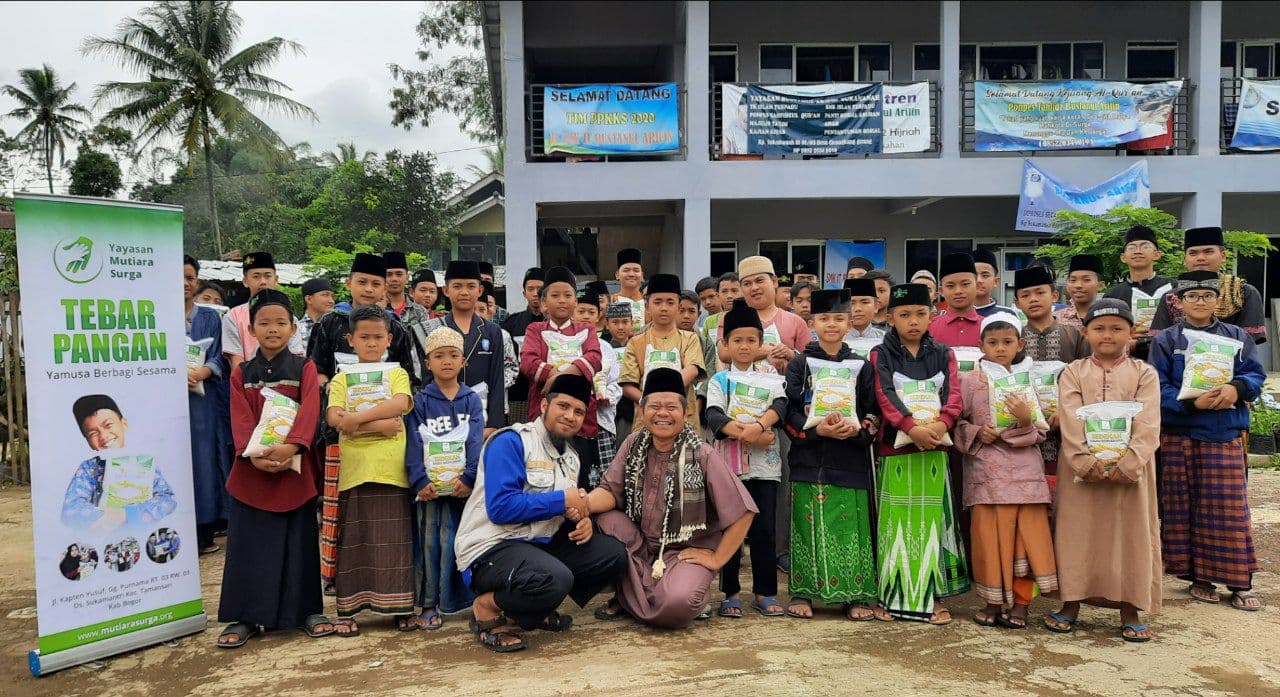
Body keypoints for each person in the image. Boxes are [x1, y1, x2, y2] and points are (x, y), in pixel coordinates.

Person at [454, 374, 628, 653]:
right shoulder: (511, 441)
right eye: (563, 406)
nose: (570, 416)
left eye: (579, 411)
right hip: (490, 549)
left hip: (534, 547)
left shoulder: (571, 458)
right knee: (554, 578)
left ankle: (531, 609)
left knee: (611, 554)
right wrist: (561, 501)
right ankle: (487, 608)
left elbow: (565, 506)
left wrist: (580, 519)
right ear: (545, 406)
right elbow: (500, 509)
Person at [588, 368, 757, 629]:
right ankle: (647, 590)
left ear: (686, 411)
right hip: (640, 547)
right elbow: (610, 492)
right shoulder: (633, 444)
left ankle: (632, 593)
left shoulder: (702, 454)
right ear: (642, 411)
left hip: (684, 553)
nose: (662, 413)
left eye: (671, 407)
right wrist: (580, 504)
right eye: (654, 406)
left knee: (680, 604)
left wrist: (716, 559)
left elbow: (744, 512)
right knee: (602, 518)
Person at [219, 288, 333, 648]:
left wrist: (292, 445)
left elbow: (311, 408)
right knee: (249, 546)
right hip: (253, 470)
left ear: (292, 327)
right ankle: (246, 616)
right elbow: (239, 415)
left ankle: (308, 611)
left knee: (299, 542)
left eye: (280, 322)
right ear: (250, 329)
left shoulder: (305, 367)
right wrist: (252, 453)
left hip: (294, 469)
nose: (272, 329)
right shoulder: (242, 373)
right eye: (264, 323)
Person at [1046, 299, 1162, 642]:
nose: (1107, 335)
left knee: (1132, 535)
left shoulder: (1144, 373)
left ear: (1131, 333)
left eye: (1116, 328)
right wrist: (1085, 461)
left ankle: (1131, 608)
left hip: (1132, 474)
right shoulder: (1073, 372)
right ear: (1086, 332)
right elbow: (1069, 416)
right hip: (1080, 472)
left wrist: (1130, 462)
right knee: (1076, 533)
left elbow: (1148, 421)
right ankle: (1071, 604)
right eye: (1099, 328)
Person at [1150, 272, 1265, 612]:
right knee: (1183, 508)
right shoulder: (1167, 340)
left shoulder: (1237, 335)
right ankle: (1198, 577)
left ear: (1217, 300)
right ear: (1180, 303)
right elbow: (1157, 384)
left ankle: (1240, 581)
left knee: (1228, 510)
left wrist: (1236, 389)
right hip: (1179, 432)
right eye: (1192, 296)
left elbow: (1254, 375)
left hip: (1222, 431)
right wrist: (1189, 403)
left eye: (1206, 295)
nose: (1200, 301)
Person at [309, 253, 422, 592]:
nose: (370, 289)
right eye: (363, 282)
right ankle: (336, 577)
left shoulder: (397, 328)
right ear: (349, 284)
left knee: (386, 513)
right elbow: (316, 371)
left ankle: (388, 580)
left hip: (386, 437)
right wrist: (337, 397)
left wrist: (364, 417)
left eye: (377, 283)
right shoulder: (330, 323)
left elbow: (410, 380)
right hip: (339, 431)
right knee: (339, 510)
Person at [782, 290, 886, 621]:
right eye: (824, 319)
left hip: (849, 459)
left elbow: (872, 412)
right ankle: (803, 592)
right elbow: (790, 411)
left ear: (848, 321)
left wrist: (857, 431)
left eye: (839, 318)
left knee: (850, 528)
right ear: (812, 323)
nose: (832, 325)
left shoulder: (861, 365)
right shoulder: (800, 363)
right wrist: (816, 431)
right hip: (808, 459)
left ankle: (854, 595)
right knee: (805, 525)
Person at [869, 283, 969, 624]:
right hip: (895, 449)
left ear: (932, 315)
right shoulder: (880, 354)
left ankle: (933, 597)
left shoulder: (944, 353)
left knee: (932, 525)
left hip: (935, 447)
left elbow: (954, 395)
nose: (913, 321)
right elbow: (883, 395)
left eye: (921, 314)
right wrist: (911, 428)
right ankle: (891, 595)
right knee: (894, 524)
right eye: (905, 314)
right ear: (890, 317)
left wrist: (940, 426)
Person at [955, 313, 1057, 629]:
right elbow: (956, 422)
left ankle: (1022, 604)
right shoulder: (969, 381)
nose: (1000, 348)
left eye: (1007, 342)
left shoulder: (1029, 382)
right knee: (988, 540)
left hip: (1026, 474)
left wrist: (1026, 420)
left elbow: (1041, 432)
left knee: (1025, 541)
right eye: (993, 342)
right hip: (986, 471)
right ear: (981, 345)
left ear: (1020, 344)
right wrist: (975, 432)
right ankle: (993, 601)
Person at [325, 304, 416, 635]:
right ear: (351, 340)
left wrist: (355, 420)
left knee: (396, 542)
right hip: (355, 468)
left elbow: (399, 405)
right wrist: (373, 426)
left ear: (389, 339)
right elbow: (333, 418)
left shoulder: (397, 373)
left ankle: (401, 607)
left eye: (378, 337)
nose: (372, 343)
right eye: (364, 337)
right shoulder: (341, 378)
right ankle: (348, 609)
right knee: (355, 539)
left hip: (392, 467)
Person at [705, 299, 787, 619]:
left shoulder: (771, 378)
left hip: (765, 468)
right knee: (731, 530)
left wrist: (759, 426)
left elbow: (780, 407)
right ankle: (730, 593)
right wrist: (746, 434)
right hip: (730, 469)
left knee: (764, 529)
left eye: (751, 339)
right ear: (725, 344)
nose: (744, 346)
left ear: (761, 343)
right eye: (737, 340)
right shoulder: (719, 381)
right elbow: (713, 416)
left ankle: (765, 592)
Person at [404, 326, 485, 630]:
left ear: (463, 361)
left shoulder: (472, 400)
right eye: (439, 356)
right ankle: (428, 602)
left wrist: (469, 477)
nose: (447, 361)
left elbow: (475, 440)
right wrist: (419, 480)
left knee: (461, 541)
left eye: (453, 355)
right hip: (430, 490)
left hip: (462, 489)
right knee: (430, 544)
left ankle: (463, 601)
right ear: (428, 363)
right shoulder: (420, 401)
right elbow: (412, 441)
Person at [519, 266, 604, 488]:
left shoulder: (586, 329)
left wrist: (554, 378)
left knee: (581, 476)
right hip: (544, 408)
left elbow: (595, 358)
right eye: (555, 295)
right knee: (542, 473)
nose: (562, 300)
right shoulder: (535, 329)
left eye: (568, 295)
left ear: (575, 301)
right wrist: (564, 376)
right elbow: (528, 362)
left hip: (581, 415)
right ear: (544, 302)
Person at [1013, 266, 1089, 499]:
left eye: (1040, 293)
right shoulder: (1013, 339)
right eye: (1025, 295)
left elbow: (1087, 379)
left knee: (1068, 496)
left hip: (1067, 432)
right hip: (1024, 431)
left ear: (1054, 296)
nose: (1033, 299)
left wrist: (1066, 410)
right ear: (1017, 303)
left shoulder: (1074, 335)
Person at [61, 395, 177, 530]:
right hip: (104, 541)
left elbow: (168, 499)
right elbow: (70, 510)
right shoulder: (89, 468)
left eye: (108, 425)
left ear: (124, 424)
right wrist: (106, 515)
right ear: (87, 441)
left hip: (143, 540)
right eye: (93, 433)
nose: (103, 436)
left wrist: (125, 514)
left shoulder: (144, 462)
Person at [418, 261, 507, 435]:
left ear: (480, 291)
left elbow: (497, 380)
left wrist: (494, 425)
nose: (464, 292)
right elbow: (427, 378)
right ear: (446, 290)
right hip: (442, 419)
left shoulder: (492, 331)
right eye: (457, 286)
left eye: (471, 286)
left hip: (482, 419)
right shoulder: (434, 328)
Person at [1151, 226, 1267, 344]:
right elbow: (1160, 342)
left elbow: (1248, 343)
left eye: (1208, 252)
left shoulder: (1243, 292)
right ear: (1184, 259)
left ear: (1223, 256)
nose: (1200, 258)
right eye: (1193, 253)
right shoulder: (1171, 297)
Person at [620, 273, 706, 428]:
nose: (664, 308)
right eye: (657, 302)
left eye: (670, 302)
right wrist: (649, 403)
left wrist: (662, 396)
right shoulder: (636, 342)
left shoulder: (690, 339)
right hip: (647, 419)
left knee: (687, 453)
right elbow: (627, 385)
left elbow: (693, 369)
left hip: (684, 419)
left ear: (679, 306)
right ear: (647, 305)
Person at [184, 255, 225, 554]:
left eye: (189, 277)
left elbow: (220, 352)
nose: (183, 284)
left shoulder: (210, 317)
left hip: (201, 400)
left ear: (196, 282)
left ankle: (204, 530)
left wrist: (204, 371)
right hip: (165, 402)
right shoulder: (152, 316)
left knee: (203, 460)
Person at [726, 256, 811, 373]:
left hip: (785, 389)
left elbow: (809, 362)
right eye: (747, 283)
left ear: (774, 281)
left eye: (759, 281)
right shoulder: (731, 318)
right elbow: (724, 354)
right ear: (741, 288)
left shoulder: (796, 321)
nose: (754, 287)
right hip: (740, 389)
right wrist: (768, 351)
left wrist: (790, 354)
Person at [221, 252, 304, 372]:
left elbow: (296, 357)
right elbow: (236, 361)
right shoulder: (233, 316)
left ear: (276, 280)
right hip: (249, 384)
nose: (263, 281)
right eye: (256, 276)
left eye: (268, 276)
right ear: (245, 281)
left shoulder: (289, 317)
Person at [574, 285, 623, 486]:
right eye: (581, 311)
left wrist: (606, 397)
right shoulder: (567, 343)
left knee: (603, 477)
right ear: (573, 312)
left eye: (591, 312)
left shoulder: (606, 347)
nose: (586, 316)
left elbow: (616, 384)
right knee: (576, 473)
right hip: (573, 421)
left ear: (598, 316)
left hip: (600, 420)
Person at [1104, 225, 1175, 360]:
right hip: (1128, 361)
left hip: (1168, 358)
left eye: (1144, 246)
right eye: (1132, 247)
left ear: (1157, 254)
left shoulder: (1173, 288)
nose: (1137, 251)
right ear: (1123, 257)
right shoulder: (1113, 295)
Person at [501, 267, 545, 425]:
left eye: (539, 289)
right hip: (518, 395)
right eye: (530, 289)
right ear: (524, 293)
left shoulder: (555, 323)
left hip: (548, 393)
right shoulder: (511, 323)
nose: (535, 293)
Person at [387, 253, 436, 371]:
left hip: (414, 376)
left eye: (399, 274)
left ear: (407, 278)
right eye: (389, 274)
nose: (394, 279)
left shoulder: (420, 311)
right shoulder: (376, 311)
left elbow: (427, 347)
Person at [929, 252, 983, 348]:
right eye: (950, 286)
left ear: (977, 286)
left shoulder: (989, 328)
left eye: (965, 284)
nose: (958, 291)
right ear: (941, 291)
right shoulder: (929, 328)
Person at [605, 301, 637, 440]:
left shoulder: (638, 346)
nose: (620, 327)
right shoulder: (603, 347)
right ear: (607, 324)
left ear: (632, 323)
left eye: (625, 322)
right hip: (611, 406)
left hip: (634, 405)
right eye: (615, 322)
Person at [1054, 254, 1105, 330]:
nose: (1078, 285)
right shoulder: (1055, 319)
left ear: (1100, 285)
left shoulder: (1111, 316)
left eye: (1086, 280)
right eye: (1073, 280)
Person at [972, 248, 1015, 318]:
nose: (978, 280)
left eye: (985, 275)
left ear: (996, 281)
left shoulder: (1007, 315)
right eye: (974, 275)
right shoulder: (954, 315)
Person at [613, 248, 647, 333]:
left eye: (636, 270)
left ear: (642, 276)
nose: (631, 274)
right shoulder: (611, 301)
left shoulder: (649, 302)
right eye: (626, 270)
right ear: (617, 275)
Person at [298, 278, 335, 349]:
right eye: (325, 295)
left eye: (332, 296)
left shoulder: (338, 326)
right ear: (309, 299)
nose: (331, 301)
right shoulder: (295, 329)